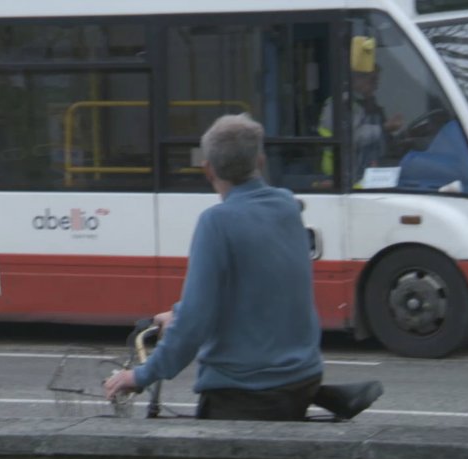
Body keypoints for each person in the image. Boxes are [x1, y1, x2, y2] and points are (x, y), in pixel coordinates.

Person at [104, 113, 324, 421]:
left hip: (248, 392)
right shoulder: (287, 205)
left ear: (208, 170)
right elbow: (256, 287)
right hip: (302, 379)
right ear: (260, 161)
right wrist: (179, 313)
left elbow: (195, 324)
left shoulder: (216, 222)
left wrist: (140, 377)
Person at [318, 67, 403, 184]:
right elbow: (352, 137)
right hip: (339, 176)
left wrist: (404, 138)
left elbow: (380, 140)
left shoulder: (369, 104)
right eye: (372, 80)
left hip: (366, 172)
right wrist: (384, 128)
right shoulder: (340, 104)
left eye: (377, 81)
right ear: (357, 79)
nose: (376, 86)